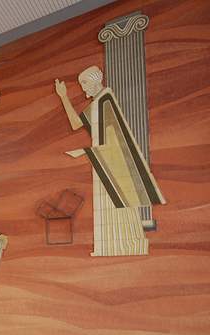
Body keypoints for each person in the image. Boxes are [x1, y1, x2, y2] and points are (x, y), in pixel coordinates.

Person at [55, 66, 166, 256]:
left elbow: (115, 138)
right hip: (104, 160)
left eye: (85, 83)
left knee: (120, 201)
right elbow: (76, 124)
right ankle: (109, 246)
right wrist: (63, 96)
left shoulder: (105, 100)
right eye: (81, 85)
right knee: (108, 204)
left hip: (114, 161)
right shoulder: (98, 102)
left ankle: (127, 244)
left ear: (96, 80)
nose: (83, 89)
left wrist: (85, 151)